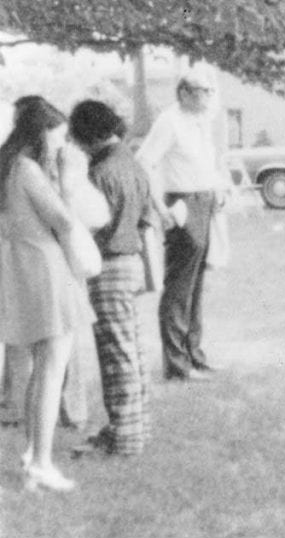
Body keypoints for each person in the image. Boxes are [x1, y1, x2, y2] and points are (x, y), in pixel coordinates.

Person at [0, 96, 95, 491]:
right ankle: (40, 462)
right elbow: (63, 219)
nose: (61, 147)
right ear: (41, 134)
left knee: (42, 368)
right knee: (51, 368)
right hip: (46, 269)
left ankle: (32, 453)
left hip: (26, 266)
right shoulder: (27, 169)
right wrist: (68, 183)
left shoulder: (9, 166)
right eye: (57, 140)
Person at [68, 100, 152, 456]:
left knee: (115, 355)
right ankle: (134, 427)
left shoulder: (99, 172)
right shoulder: (133, 163)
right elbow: (146, 218)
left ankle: (124, 440)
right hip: (131, 261)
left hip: (108, 264)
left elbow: (91, 225)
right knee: (132, 351)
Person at [136, 67, 228, 381]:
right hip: (183, 203)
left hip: (205, 202)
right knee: (179, 287)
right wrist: (160, 207)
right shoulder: (169, 121)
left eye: (209, 91)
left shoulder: (202, 121)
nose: (207, 97)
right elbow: (144, 162)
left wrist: (219, 190)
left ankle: (194, 355)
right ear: (184, 92)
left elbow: (208, 164)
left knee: (196, 285)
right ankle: (177, 365)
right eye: (201, 91)